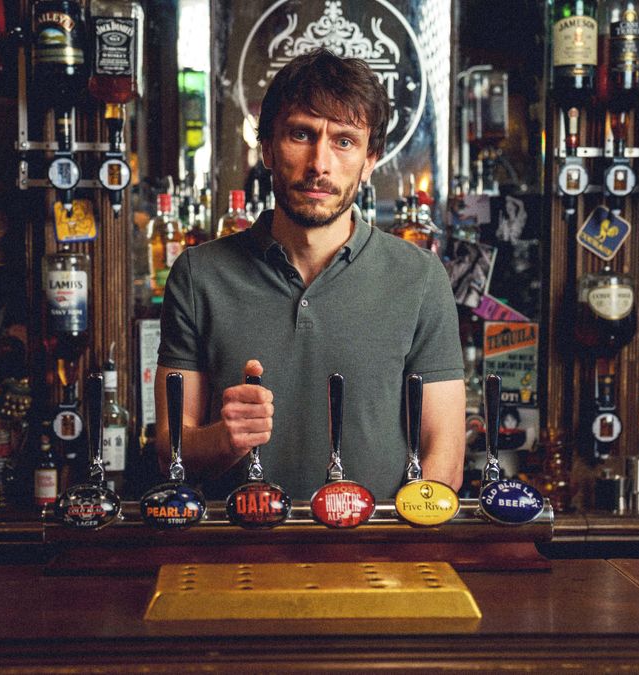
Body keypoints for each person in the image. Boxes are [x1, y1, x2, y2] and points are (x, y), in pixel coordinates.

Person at [155, 48, 465, 501]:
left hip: (377, 555)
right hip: (235, 556)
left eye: (344, 141)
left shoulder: (418, 277)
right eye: (301, 134)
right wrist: (224, 439)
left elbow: (446, 454)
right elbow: (169, 451)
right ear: (266, 148)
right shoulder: (199, 275)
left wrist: (399, 547)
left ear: (370, 160)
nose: (320, 163)